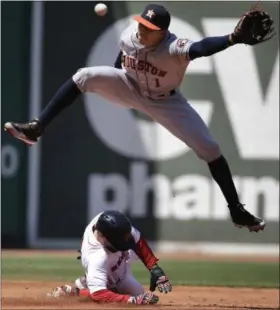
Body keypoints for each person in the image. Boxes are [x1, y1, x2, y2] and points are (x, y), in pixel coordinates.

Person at [4, 4, 274, 232]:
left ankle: (236, 210)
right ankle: (36, 128)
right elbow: (121, 59)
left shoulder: (174, 48)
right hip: (130, 87)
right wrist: (113, 81)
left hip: (166, 102)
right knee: (84, 76)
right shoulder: (130, 35)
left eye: (149, 28)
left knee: (210, 149)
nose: (142, 30)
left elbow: (202, 47)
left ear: (163, 33)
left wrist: (231, 39)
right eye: (142, 24)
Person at [47, 210, 172, 304]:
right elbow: (99, 294)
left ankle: (91, 280)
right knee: (121, 292)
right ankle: (79, 290)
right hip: (106, 261)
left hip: (118, 259)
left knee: (138, 295)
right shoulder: (97, 256)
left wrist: (155, 269)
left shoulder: (112, 226)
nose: (127, 238)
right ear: (105, 238)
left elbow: (138, 241)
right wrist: (132, 300)